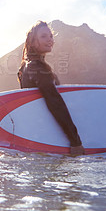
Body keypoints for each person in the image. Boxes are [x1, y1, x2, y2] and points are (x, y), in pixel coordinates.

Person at [17, 21, 85, 156]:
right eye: (43, 36)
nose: (49, 40)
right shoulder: (38, 68)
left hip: (37, 138)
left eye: (51, 36)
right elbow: (55, 103)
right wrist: (75, 142)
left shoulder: (25, 66)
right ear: (32, 41)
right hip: (49, 140)